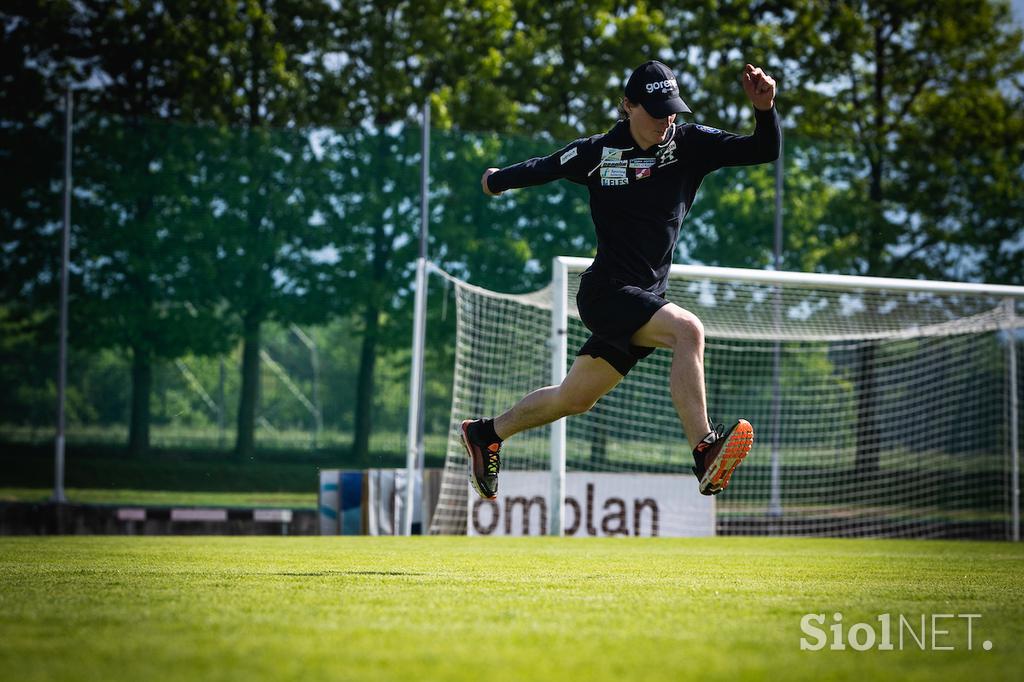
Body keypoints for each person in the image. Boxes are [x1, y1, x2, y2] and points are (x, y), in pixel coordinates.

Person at [461, 60, 779, 501]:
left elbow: (762, 150)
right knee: (688, 329)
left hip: (644, 299)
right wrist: (497, 180)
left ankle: (485, 433)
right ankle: (705, 451)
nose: (667, 119)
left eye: (672, 109)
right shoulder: (598, 152)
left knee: (573, 399)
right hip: (606, 293)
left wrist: (765, 108)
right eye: (654, 110)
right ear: (627, 106)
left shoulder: (689, 144)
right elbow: (546, 166)